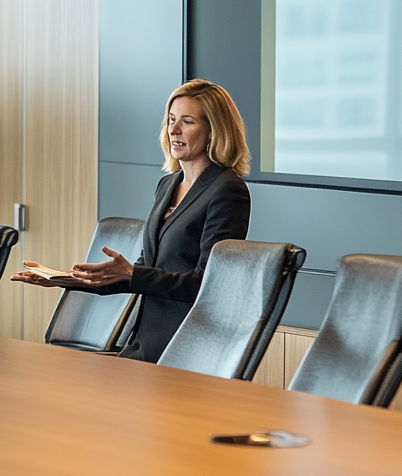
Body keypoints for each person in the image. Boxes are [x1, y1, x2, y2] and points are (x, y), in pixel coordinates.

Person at [13, 78, 251, 363]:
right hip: (145, 340)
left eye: (187, 121)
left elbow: (209, 284)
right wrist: (65, 279)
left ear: (214, 131)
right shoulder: (168, 184)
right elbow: (144, 273)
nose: (174, 129)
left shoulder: (227, 190)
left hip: (187, 345)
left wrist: (133, 274)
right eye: (171, 120)